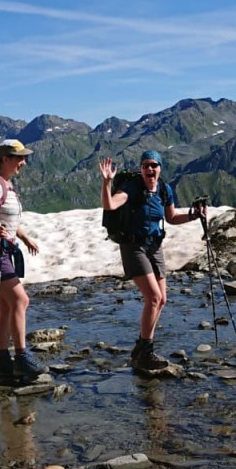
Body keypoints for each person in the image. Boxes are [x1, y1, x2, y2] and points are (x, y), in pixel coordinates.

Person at [99, 150, 205, 372]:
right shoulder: (131, 188)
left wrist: (194, 215)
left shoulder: (164, 189)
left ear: (160, 168)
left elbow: (172, 218)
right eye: (146, 165)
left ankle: (141, 347)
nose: (150, 169)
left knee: (162, 299)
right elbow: (110, 205)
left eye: (154, 165)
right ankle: (146, 351)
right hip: (133, 247)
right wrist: (106, 183)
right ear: (141, 168)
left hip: (155, 246)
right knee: (154, 298)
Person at [0, 140, 46, 380]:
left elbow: (9, 221)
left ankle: (1, 360)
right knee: (20, 300)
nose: (23, 163)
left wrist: (24, 238)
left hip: (2, 250)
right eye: (19, 158)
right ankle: (22, 356)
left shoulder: (6, 185)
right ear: (5, 159)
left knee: (6, 305)